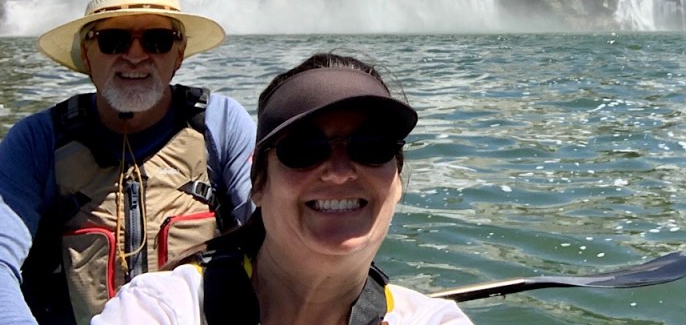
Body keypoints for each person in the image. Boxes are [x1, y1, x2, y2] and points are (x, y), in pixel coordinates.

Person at [93, 52, 475, 325]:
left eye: (372, 147)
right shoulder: (163, 307)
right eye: (304, 149)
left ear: (397, 180)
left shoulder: (432, 319)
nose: (340, 172)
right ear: (258, 183)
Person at [0, 0, 256, 325]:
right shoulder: (37, 141)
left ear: (179, 54)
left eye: (157, 40)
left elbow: (274, 231)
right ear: (87, 53)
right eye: (113, 40)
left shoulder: (222, 124)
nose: (135, 56)